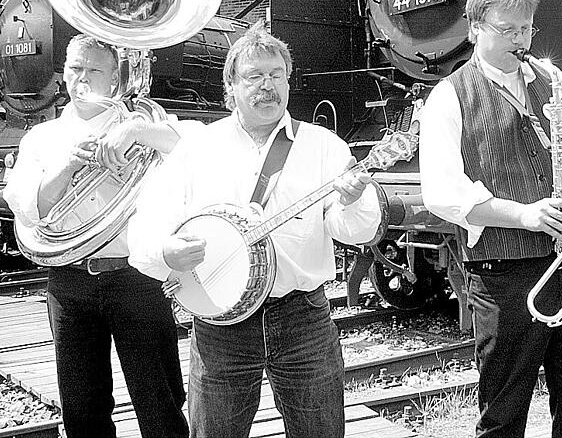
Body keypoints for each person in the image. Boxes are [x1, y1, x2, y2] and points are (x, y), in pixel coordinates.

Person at [127, 26, 381, 438]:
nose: (268, 86)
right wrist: (165, 252)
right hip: (220, 324)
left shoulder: (324, 146)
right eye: (254, 76)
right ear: (231, 86)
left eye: (276, 75)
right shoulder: (197, 148)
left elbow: (352, 231)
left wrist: (354, 201)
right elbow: (147, 223)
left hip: (303, 319)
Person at [419, 0, 562, 438]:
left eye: (526, 28)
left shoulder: (551, 77)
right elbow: (442, 192)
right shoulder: (449, 95)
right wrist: (525, 214)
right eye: (507, 29)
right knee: (503, 418)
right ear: (475, 28)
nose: (520, 39)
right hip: (504, 274)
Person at [3, 34, 192, 438]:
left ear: (113, 79)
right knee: (82, 408)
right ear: (62, 75)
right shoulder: (42, 138)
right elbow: (25, 206)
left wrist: (137, 132)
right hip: (69, 282)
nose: (83, 78)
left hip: (135, 277)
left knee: (159, 402)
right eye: (76, 68)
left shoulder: (140, 122)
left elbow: (190, 150)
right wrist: (69, 167)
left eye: (94, 70)